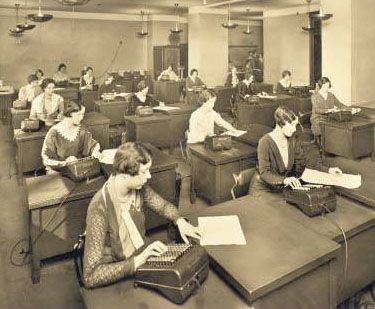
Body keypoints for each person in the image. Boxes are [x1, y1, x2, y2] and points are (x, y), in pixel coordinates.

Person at [82, 142, 201, 288]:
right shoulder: (99, 208)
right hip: (117, 271)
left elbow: (163, 206)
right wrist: (138, 260)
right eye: (144, 172)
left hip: (142, 255)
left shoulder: (139, 189)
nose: (149, 176)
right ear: (125, 175)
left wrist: (180, 221)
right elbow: (91, 276)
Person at [248, 106, 342, 195]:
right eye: (292, 125)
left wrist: (328, 170)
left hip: (279, 189)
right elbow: (265, 173)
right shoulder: (264, 142)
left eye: (295, 125)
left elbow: (305, 162)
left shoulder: (293, 140)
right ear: (282, 123)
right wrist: (284, 180)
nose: (294, 129)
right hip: (262, 190)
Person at [41, 101, 101, 172]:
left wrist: (95, 152)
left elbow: (92, 144)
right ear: (69, 114)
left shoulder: (81, 129)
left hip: (78, 170)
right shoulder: (54, 133)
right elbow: (46, 159)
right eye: (79, 114)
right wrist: (66, 163)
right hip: (59, 171)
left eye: (83, 114)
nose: (81, 118)